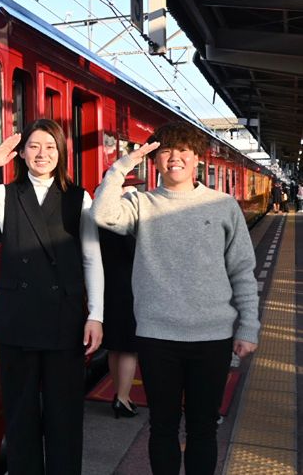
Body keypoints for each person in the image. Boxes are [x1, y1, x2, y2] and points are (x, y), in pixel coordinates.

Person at [91, 122, 259, 475]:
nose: (175, 158)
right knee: (162, 428)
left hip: (212, 337)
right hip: (156, 336)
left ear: (197, 158)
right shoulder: (141, 202)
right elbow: (103, 215)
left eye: (183, 150)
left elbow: (242, 270)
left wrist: (248, 326)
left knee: (202, 429)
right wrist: (122, 165)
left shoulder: (224, 205)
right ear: (155, 160)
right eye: (165, 151)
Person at [0, 119, 104, 474]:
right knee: (20, 416)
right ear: (22, 153)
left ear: (61, 152)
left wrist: (96, 315)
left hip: (66, 320)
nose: (42, 154)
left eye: (49, 146)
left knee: (65, 416)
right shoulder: (4, 194)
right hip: (18, 321)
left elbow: (92, 259)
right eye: (33, 146)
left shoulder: (80, 198)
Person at [98, 174, 143, 419]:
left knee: (114, 347)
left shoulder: (98, 216)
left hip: (107, 288)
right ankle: (123, 399)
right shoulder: (122, 222)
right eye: (127, 188)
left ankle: (118, 393)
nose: (131, 193)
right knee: (128, 348)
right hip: (128, 289)